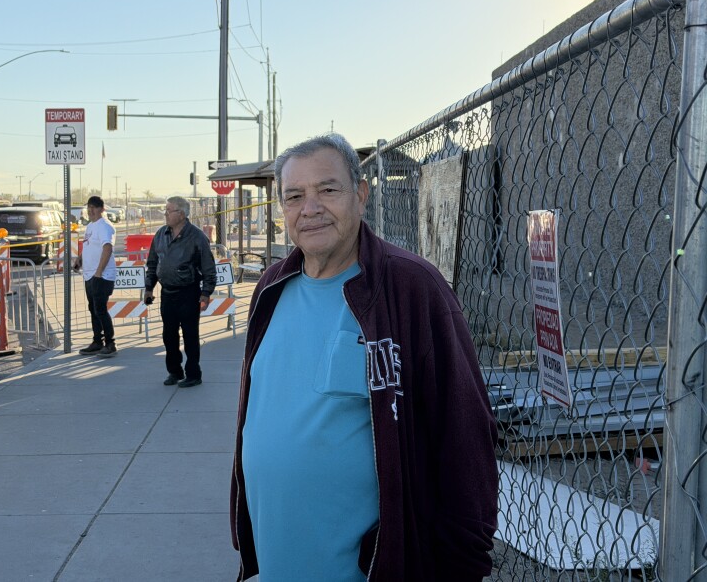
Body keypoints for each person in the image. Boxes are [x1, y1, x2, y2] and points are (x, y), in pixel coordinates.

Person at [230, 134, 498, 581]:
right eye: (294, 196)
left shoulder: (412, 290)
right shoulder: (270, 289)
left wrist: (462, 568)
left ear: (361, 194)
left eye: (328, 190)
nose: (310, 208)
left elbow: (465, 438)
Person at [144, 196, 217, 388]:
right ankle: (174, 371)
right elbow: (152, 263)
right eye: (166, 211)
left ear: (182, 214)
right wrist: (149, 287)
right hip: (167, 293)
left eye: (170, 210)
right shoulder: (161, 234)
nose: (166, 214)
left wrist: (206, 293)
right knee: (169, 335)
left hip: (188, 293)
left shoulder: (197, 237)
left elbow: (209, 268)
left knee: (190, 335)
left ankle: (193, 373)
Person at [72, 195, 118, 357]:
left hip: (102, 276)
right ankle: (97, 341)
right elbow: (89, 246)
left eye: (95, 207)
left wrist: (99, 272)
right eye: (89, 207)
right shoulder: (91, 226)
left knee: (100, 309)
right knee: (93, 309)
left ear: (102, 209)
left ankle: (110, 343)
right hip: (89, 275)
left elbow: (107, 249)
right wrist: (80, 259)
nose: (91, 210)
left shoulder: (105, 226)